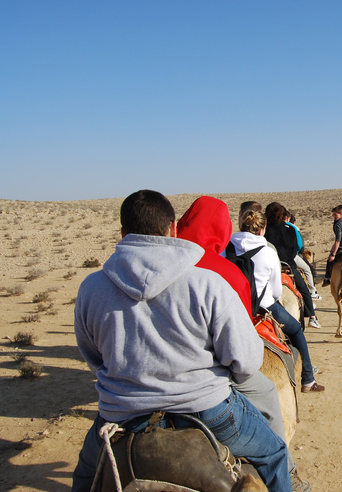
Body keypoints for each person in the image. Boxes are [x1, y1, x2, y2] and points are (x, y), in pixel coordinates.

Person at [72, 190, 290, 492]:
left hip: (122, 415)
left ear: (123, 232)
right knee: (274, 452)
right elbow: (246, 361)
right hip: (207, 410)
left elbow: (93, 357)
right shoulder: (208, 283)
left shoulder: (91, 288)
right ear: (173, 228)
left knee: (85, 480)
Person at [177, 196, 310, 492]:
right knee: (267, 388)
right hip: (204, 389)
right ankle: (289, 475)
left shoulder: (158, 265)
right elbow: (241, 353)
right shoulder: (224, 271)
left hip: (130, 402)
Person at [229, 205, 324, 393]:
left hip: (233, 308)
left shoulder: (227, 247)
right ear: (262, 229)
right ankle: (308, 379)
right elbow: (275, 290)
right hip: (264, 306)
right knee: (296, 330)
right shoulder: (268, 252)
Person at [263, 202, 321, 329]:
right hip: (287, 265)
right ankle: (312, 316)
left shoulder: (265, 229)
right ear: (283, 216)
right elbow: (295, 249)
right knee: (304, 290)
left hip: (269, 267)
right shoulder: (290, 229)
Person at [284, 210, 321, 301]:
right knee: (307, 269)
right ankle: (312, 291)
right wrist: (299, 251)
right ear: (288, 218)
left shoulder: (272, 227)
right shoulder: (293, 228)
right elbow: (300, 245)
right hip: (291, 256)